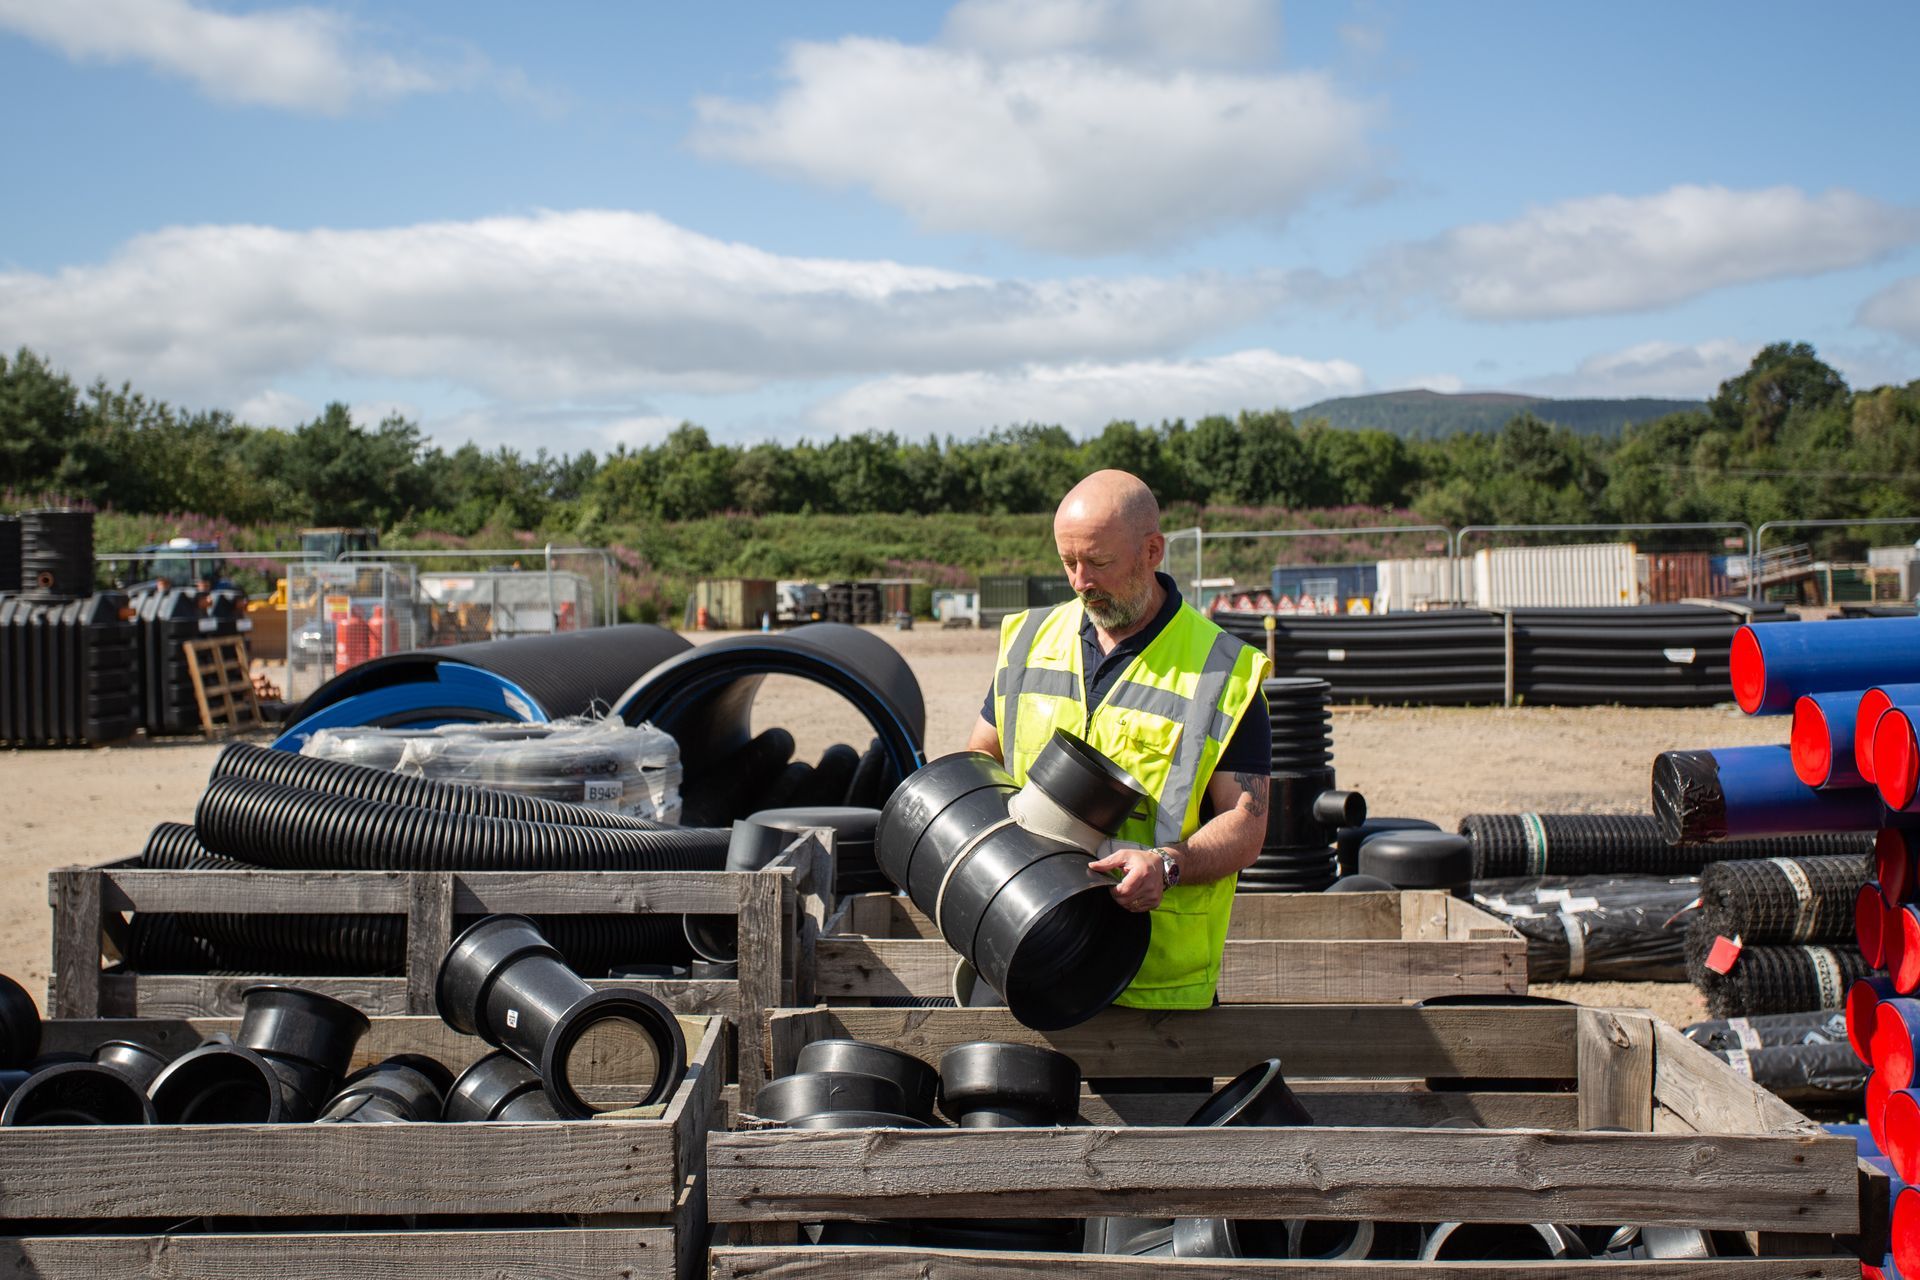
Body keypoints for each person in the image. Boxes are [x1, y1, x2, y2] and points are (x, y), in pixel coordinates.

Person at [967, 469, 1273, 1010]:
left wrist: (1167, 865)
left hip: (1152, 982)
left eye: (1100, 563)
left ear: (1152, 550)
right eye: (1069, 562)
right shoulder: (1028, 641)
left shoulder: (1221, 671)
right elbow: (977, 764)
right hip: (1023, 952)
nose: (1081, 581)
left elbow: (1246, 825)